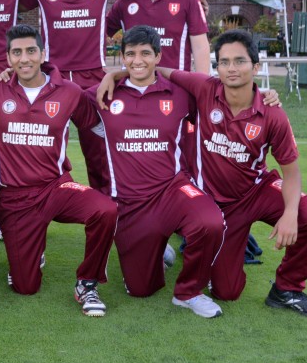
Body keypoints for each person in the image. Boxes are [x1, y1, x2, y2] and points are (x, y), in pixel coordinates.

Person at [164, 29, 307, 317]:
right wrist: (113, 76)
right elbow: (163, 71)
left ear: (255, 67)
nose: (231, 68)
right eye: (224, 62)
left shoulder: (272, 113)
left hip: (256, 190)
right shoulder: (204, 88)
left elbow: (291, 172)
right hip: (216, 205)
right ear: (217, 68)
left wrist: (290, 214)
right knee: (227, 292)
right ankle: (207, 239)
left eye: (239, 61)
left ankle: (287, 289)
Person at [0, 24, 117, 316]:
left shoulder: (70, 92)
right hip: (14, 198)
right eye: (17, 53)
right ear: (8, 57)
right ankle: (32, 250)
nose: (24, 59)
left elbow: (98, 128)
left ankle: (87, 283)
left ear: (42, 53)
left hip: (56, 187)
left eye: (30, 51)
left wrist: (117, 73)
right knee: (25, 287)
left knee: (106, 210)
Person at [92, 26, 225, 318]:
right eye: (130, 54)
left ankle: (189, 292)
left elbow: (224, 92)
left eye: (145, 54)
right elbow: (58, 93)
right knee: (141, 289)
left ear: (158, 56)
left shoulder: (180, 94)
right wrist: (109, 75)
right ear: (122, 58)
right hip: (129, 202)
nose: (137, 60)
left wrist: (263, 93)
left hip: (172, 190)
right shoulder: (102, 94)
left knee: (210, 221)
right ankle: (159, 247)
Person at [17, 0, 133, 192]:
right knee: (41, 146)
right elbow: (14, 2)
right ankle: (37, 201)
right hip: (52, 77)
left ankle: (107, 203)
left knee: (98, 148)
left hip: (92, 79)